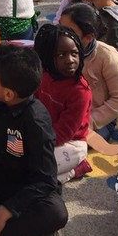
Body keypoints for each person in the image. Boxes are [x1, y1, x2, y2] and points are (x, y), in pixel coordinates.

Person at [0, 43, 68, 236]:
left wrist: (6, 212)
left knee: (56, 212)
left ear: (9, 93)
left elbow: (45, 181)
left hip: (26, 189)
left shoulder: (35, 121)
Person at [34, 24, 92, 182]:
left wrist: (37, 143)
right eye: (61, 55)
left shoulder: (80, 91)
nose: (70, 60)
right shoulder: (43, 76)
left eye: (74, 53)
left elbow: (64, 133)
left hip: (71, 144)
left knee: (37, 173)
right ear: (48, 57)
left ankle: (76, 169)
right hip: (44, 134)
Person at [59, 3, 118, 133]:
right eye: (60, 28)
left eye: (69, 32)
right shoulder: (55, 50)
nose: (61, 35)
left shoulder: (107, 56)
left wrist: (90, 121)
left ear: (88, 37)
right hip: (62, 114)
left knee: (70, 147)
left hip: (96, 120)